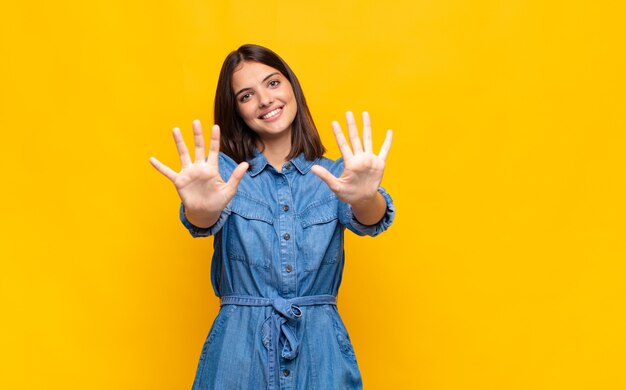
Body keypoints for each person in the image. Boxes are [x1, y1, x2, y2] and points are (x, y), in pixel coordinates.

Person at [149, 44, 395, 390]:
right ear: (236, 110)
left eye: (273, 83)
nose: (265, 100)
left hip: (320, 351)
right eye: (246, 95)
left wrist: (366, 196)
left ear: (292, 87)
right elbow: (202, 218)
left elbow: (371, 219)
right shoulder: (222, 174)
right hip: (239, 350)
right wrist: (201, 207)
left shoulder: (337, 175)